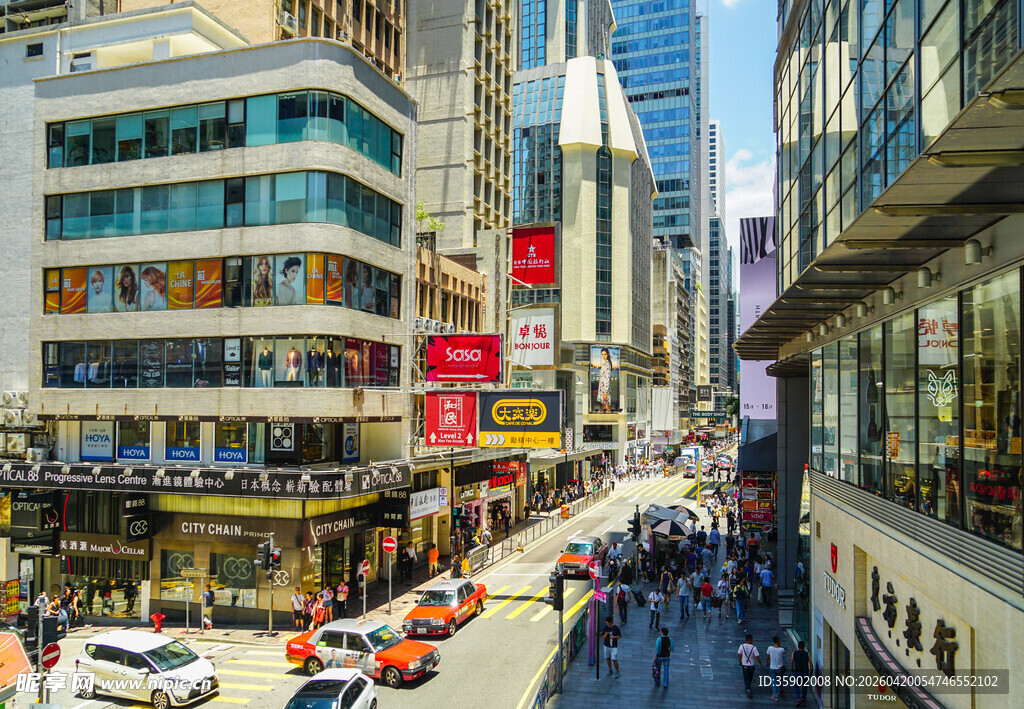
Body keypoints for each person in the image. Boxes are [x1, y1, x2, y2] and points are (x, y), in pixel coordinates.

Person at [738, 634, 763, 699]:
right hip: (751, 665)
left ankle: (748, 688)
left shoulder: (742, 646)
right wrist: (760, 664)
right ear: (750, 640)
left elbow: (739, 655)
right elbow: (757, 657)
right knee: (750, 677)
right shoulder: (754, 648)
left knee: (746, 677)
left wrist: (740, 661)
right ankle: (748, 688)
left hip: (745, 664)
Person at [791, 640, 811, 706]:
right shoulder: (807, 653)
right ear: (804, 647)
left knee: (796, 685)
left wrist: (792, 669)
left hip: (797, 671)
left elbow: (791, 661)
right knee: (804, 685)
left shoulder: (794, 653)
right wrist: (811, 671)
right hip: (805, 671)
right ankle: (804, 698)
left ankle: (798, 698)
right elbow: (811, 663)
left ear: (798, 646)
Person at [767, 636, 787, 700]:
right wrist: (780, 645)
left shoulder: (770, 648)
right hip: (780, 668)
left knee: (774, 681)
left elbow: (767, 656)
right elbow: (784, 652)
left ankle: (775, 695)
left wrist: (767, 662)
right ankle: (780, 690)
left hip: (772, 667)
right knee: (780, 680)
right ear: (778, 641)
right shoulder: (781, 649)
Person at [596, 348, 613, 412]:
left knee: (606, 406)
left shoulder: (607, 364)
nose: (603, 356)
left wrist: (605, 392)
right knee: (604, 406)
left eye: (605, 354)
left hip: (605, 388)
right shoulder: (604, 364)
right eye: (602, 354)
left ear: (608, 354)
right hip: (602, 387)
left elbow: (608, 378)